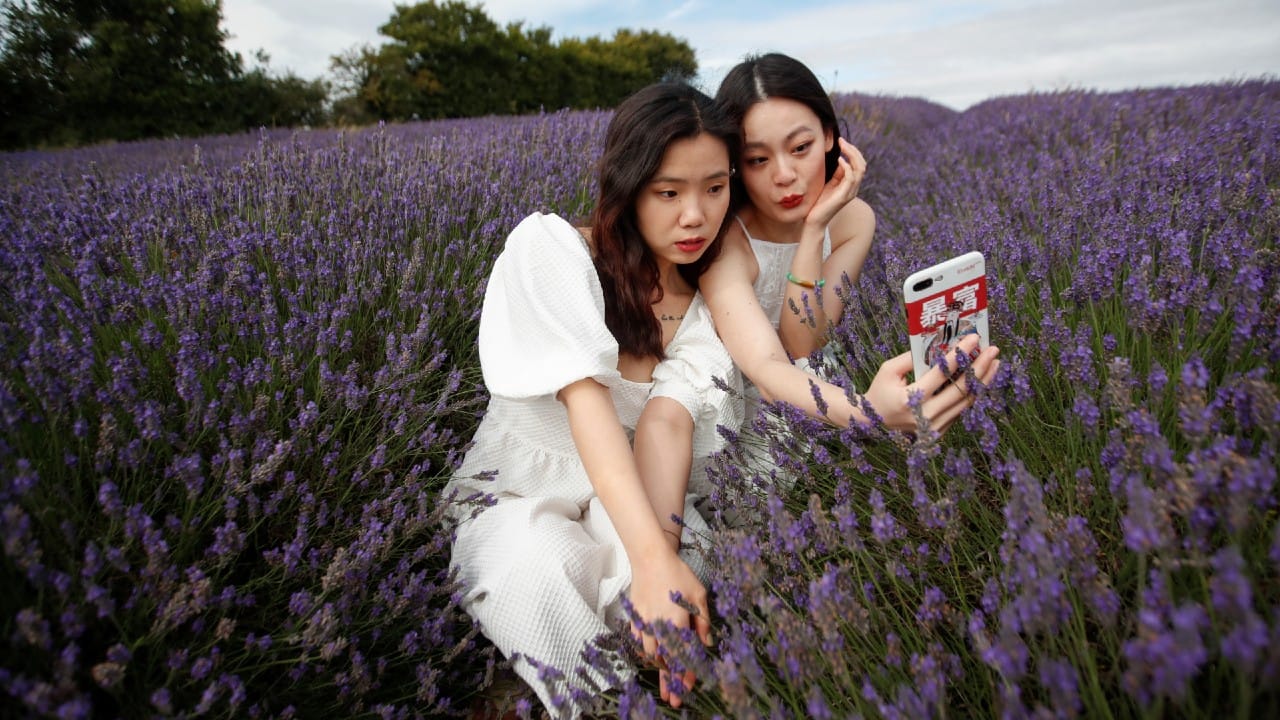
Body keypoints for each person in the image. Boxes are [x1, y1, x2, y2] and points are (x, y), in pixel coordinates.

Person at [445, 82, 743, 717]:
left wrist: (656, 562)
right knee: (536, 561)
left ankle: (659, 672)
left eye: (715, 188)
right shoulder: (553, 252)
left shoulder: (706, 311)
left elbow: (667, 428)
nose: (695, 215)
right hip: (518, 490)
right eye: (669, 192)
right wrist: (649, 561)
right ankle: (603, 705)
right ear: (627, 186)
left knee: (680, 568)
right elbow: (587, 404)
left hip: (630, 493)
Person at [703, 52, 1002, 432]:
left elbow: (805, 346)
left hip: (809, 384)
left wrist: (813, 230)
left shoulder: (854, 219)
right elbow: (767, 366)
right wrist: (869, 414)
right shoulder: (725, 236)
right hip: (737, 399)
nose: (783, 175)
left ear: (829, 136)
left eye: (800, 148)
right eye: (758, 159)